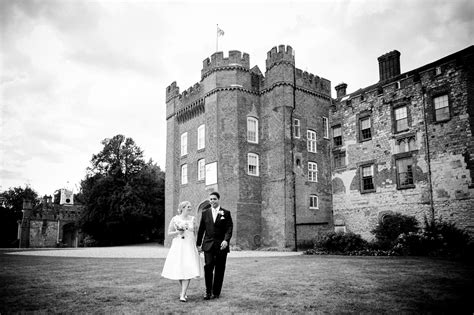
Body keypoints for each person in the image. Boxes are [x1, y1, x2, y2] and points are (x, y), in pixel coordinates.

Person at [161, 201, 203, 302]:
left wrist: (198, 245)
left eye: (190, 207)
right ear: (182, 208)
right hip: (178, 246)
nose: (190, 208)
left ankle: (183, 294)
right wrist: (178, 231)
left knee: (188, 268)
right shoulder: (175, 219)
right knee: (180, 268)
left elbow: (197, 234)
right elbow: (169, 233)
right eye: (188, 207)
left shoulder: (193, 219)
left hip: (189, 246)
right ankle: (183, 292)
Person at [196, 192, 233, 300]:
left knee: (220, 269)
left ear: (218, 199)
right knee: (208, 267)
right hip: (208, 245)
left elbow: (229, 229)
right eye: (211, 199)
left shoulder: (226, 213)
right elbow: (201, 230)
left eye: (214, 199)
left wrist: (226, 240)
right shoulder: (205, 212)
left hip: (221, 245)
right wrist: (198, 244)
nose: (212, 201)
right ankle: (208, 292)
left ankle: (216, 292)